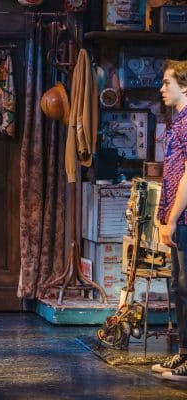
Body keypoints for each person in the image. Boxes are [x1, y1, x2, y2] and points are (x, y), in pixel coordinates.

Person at [151, 59, 187, 381]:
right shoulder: (178, 122)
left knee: (186, 286)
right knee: (178, 286)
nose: (162, 88)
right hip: (178, 218)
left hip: (186, 218)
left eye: (167, 83)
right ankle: (184, 354)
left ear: (184, 86)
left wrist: (173, 217)